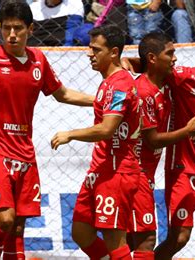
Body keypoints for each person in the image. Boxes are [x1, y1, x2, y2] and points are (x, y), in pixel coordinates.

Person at [0, 1, 95, 258]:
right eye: (7, 28)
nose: (12, 34)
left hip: (25, 152)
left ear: (30, 29)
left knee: (18, 226)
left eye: (18, 28)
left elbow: (63, 93)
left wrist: (99, 100)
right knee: (5, 220)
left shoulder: (38, 60)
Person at [51, 24, 140, 259]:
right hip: (100, 169)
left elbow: (107, 129)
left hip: (117, 171)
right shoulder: (108, 83)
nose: (89, 53)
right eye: (90, 48)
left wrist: (70, 134)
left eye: (96, 49)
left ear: (114, 52)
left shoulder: (120, 84)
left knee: (114, 238)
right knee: (81, 231)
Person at [127, 31, 195, 258]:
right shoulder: (144, 92)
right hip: (134, 173)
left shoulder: (165, 81)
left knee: (128, 239)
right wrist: (187, 131)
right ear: (154, 58)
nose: (175, 58)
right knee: (145, 238)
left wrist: (132, 62)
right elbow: (152, 139)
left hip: (144, 173)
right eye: (170, 53)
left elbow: (140, 63)